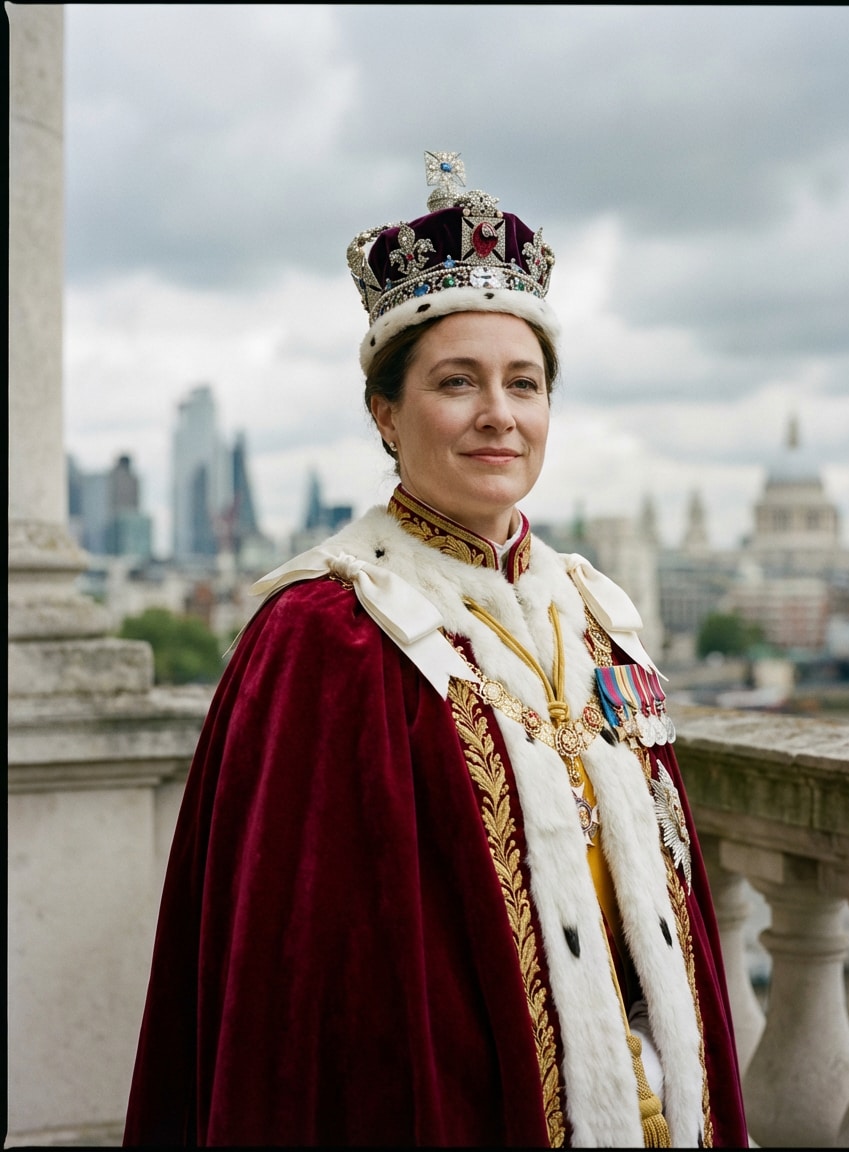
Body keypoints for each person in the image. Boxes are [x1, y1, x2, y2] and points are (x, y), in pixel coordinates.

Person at [123, 151, 748, 1148]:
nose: (499, 414)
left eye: (524, 384)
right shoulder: (323, 631)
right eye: (457, 383)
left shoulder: (596, 616)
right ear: (385, 413)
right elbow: (293, 990)